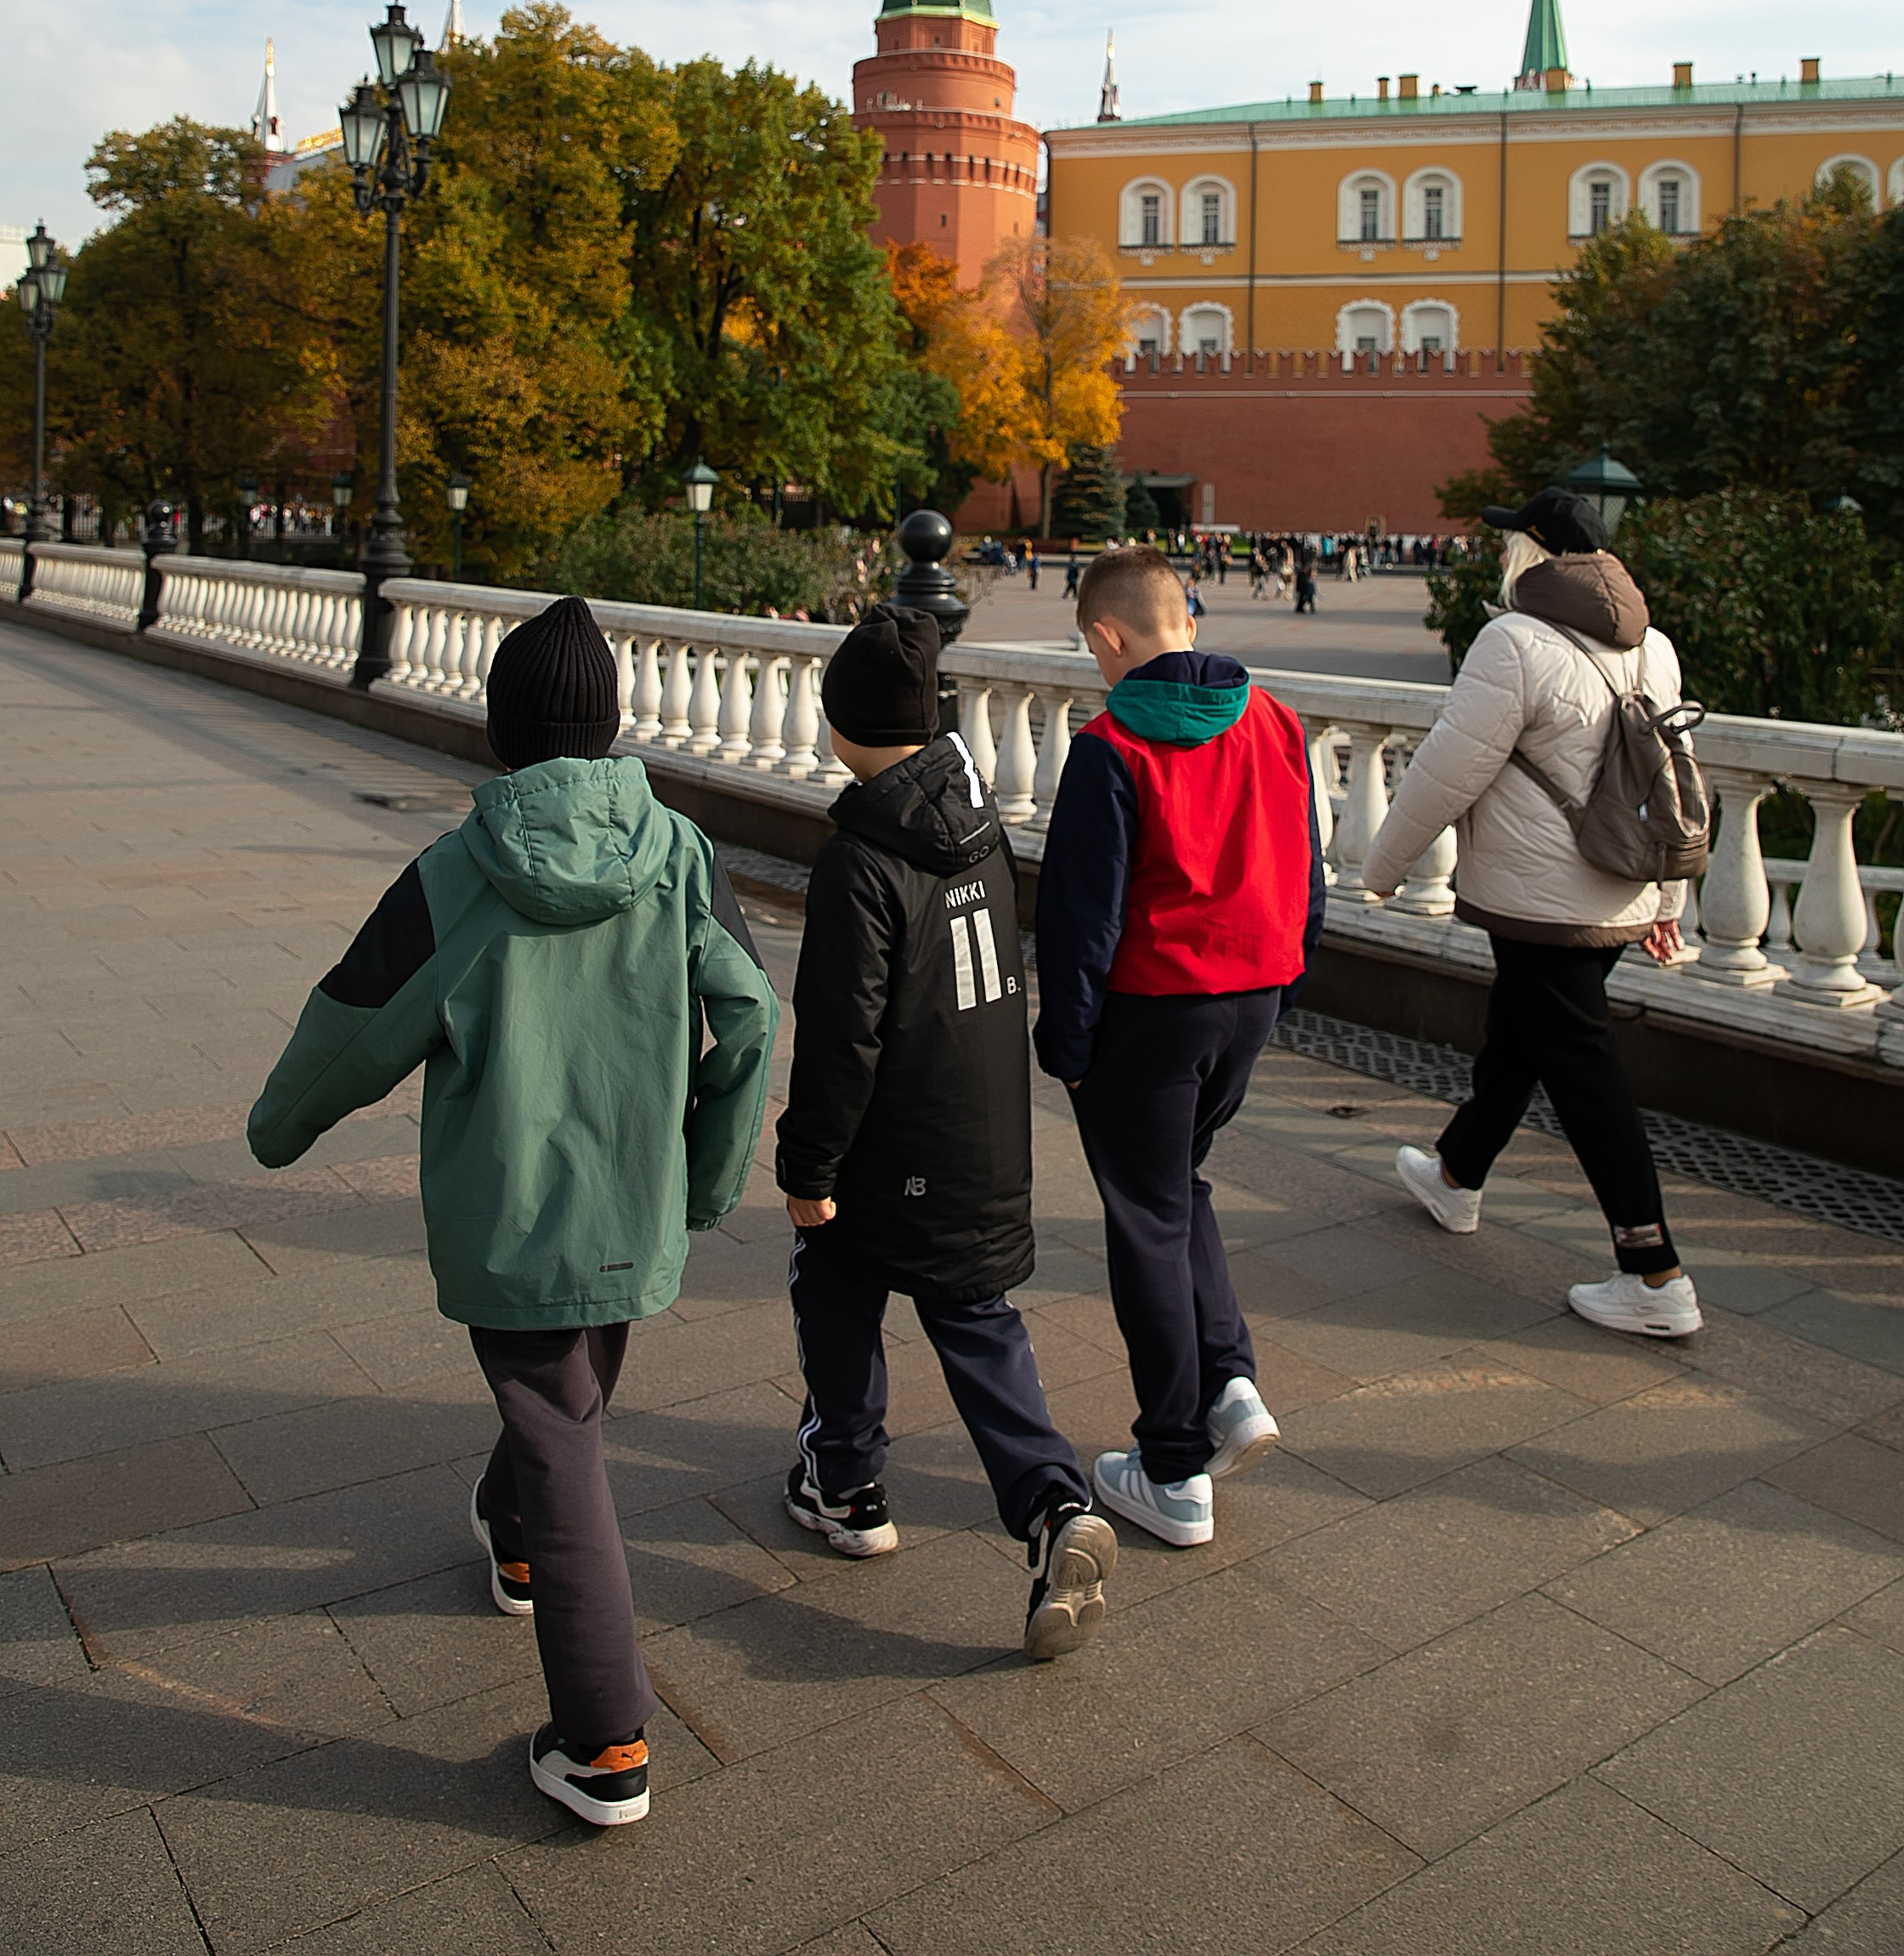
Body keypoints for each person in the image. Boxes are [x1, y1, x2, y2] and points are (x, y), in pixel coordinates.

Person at [247, 598, 779, 1829]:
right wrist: (705, 1177)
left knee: (562, 1431)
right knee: (568, 1400)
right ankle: (517, 1534)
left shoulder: (453, 873)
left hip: (513, 1214)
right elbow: (752, 1013)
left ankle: (604, 1743)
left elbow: (352, 1028)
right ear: (607, 733)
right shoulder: (683, 854)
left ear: (499, 732)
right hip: (632, 1205)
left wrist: (279, 1129)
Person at [775, 603, 1118, 1658]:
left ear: (841, 726)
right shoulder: (978, 826)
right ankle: (1054, 1506)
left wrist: (809, 1164)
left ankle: (848, 1481)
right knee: (977, 1322)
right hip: (982, 1139)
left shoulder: (858, 860)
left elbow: (842, 1036)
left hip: (888, 1142)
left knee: (830, 1280)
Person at [1034, 547, 1326, 1548]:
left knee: (1145, 1219)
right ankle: (1228, 1382)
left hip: (1151, 1010)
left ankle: (1169, 1464)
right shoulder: (1274, 718)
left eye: (1090, 647)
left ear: (1107, 637)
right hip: (1252, 993)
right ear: (1186, 622)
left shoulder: (1110, 745)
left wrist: (1066, 1042)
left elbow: (1080, 919)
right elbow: (1308, 867)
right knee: (1178, 1187)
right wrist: (1286, 978)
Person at [1363, 487, 1703, 1338]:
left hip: (1538, 899)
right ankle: (1454, 1176)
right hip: (1617, 888)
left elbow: (1447, 767)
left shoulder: (1511, 640)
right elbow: (1673, 785)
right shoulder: (1651, 647)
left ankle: (1651, 1270)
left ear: (1532, 553)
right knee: (1521, 1034)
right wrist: (1665, 897)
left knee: (1582, 1069)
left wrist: (1379, 866)